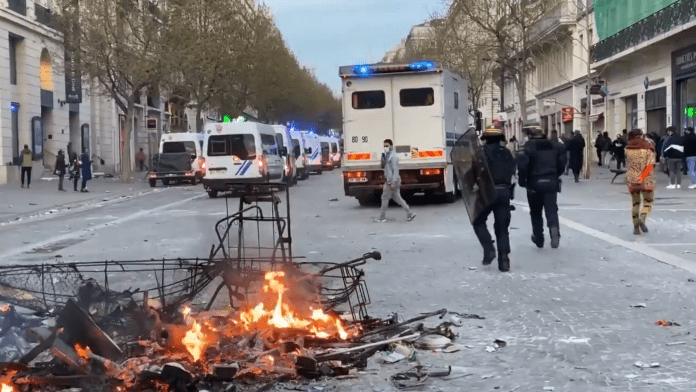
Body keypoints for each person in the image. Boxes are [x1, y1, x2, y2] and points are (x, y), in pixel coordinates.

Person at [473, 129, 516, 272]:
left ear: (485, 139)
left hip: (486, 192)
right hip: (504, 192)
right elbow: (512, 171)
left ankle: (489, 249)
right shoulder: (507, 153)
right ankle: (504, 260)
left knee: (478, 221)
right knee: (502, 228)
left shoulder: (480, 153)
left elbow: (473, 172)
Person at [517, 125, 567, 249]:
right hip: (551, 182)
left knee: (536, 212)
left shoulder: (529, 146)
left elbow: (523, 166)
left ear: (530, 135)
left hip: (534, 183)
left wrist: (523, 181)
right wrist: (555, 175)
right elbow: (562, 163)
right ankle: (554, 229)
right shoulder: (554, 145)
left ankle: (539, 238)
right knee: (551, 209)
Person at [377, 139, 416, 222]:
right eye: (384, 145)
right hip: (391, 180)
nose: (385, 147)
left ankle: (382, 217)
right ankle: (410, 213)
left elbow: (395, 170)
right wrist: (383, 157)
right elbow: (382, 166)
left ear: (391, 146)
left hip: (392, 181)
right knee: (397, 198)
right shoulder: (386, 155)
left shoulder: (393, 156)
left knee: (384, 198)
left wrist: (392, 182)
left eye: (387, 145)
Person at [625, 129, 655, 235]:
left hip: (632, 180)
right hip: (646, 180)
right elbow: (650, 165)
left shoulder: (628, 149)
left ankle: (636, 227)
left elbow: (628, 164)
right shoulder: (648, 148)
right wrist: (642, 177)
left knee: (635, 204)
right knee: (648, 202)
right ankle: (642, 217)